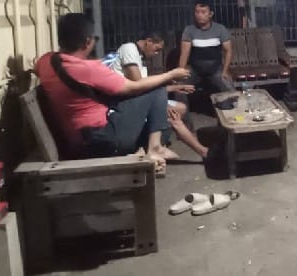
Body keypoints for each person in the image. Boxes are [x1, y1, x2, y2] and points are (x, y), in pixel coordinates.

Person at [35, 13, 190, 174]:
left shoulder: (46, 61)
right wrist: (170, 75)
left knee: (159, 122)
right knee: (156, 88)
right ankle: (154, 148)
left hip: (76, 139)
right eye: (95, 38)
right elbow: (135, 86)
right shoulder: (89, 69)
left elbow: (36, 65)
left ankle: (147, 151)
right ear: (87, 42)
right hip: (101, 139)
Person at [108, 32, 212, 161]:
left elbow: (147, 88)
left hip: (137, 98)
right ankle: (156, 146)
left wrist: (175, 88)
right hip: (123, 102)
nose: (156, 54)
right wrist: (170, 76)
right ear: (148, 41)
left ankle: (201, 151)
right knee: (173, 113)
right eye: (156, 49)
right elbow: (138, 83)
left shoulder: (140, 58)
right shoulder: (129, 48)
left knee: (180, 109)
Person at [178, 0, 235, 93]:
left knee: (229, 88)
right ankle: (181, 103)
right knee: (179, 88)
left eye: (203, 12)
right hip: (195, 70)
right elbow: (184, 54)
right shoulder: (189, 30)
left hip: (215, 69)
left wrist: (225, 71)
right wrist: (181, 72)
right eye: (197, 12)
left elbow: (228, 51)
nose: (199, 15)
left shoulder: (220, 29)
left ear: (210, 14)